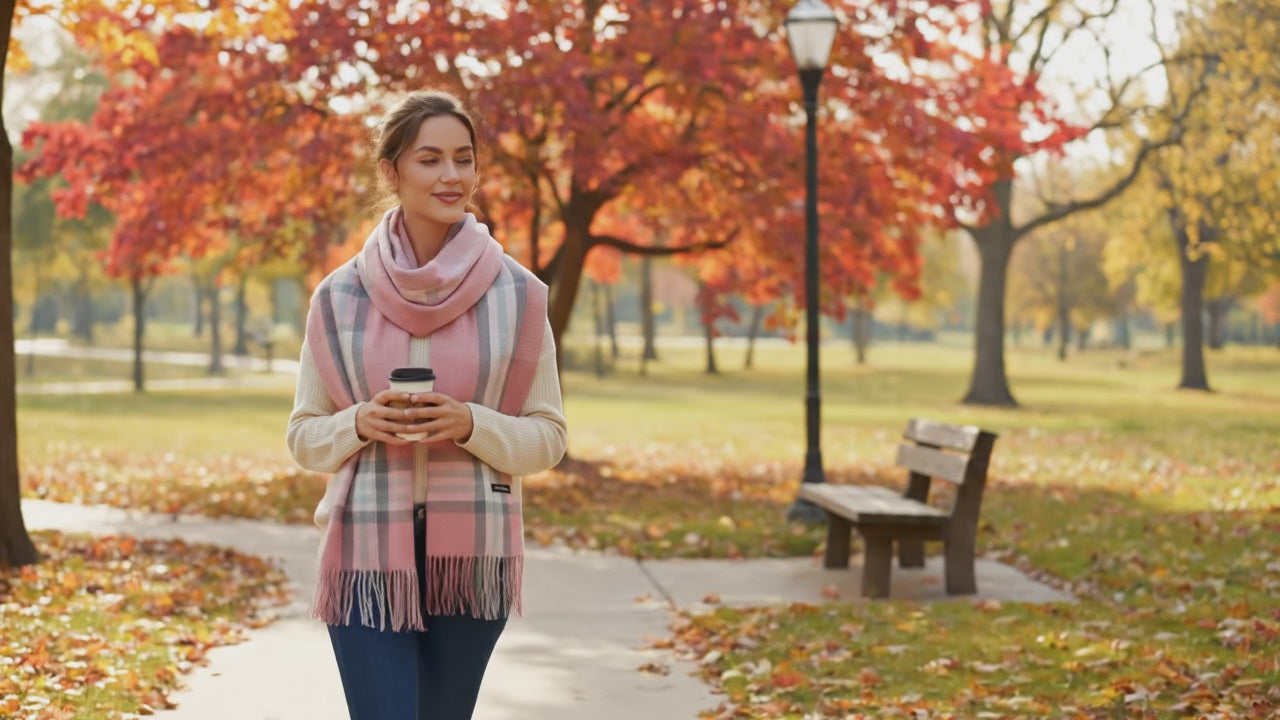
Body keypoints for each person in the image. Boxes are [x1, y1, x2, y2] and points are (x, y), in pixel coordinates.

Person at [286, 89, 567, 720]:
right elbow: (303, 435)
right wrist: (359, 422)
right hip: (363, 553)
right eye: (430, 159)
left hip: (470, 559)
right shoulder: (338, 296)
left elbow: (548, 435)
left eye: (463, 160)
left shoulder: (520, 295)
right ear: (392, 171)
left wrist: (472, 424)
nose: (452, 176)